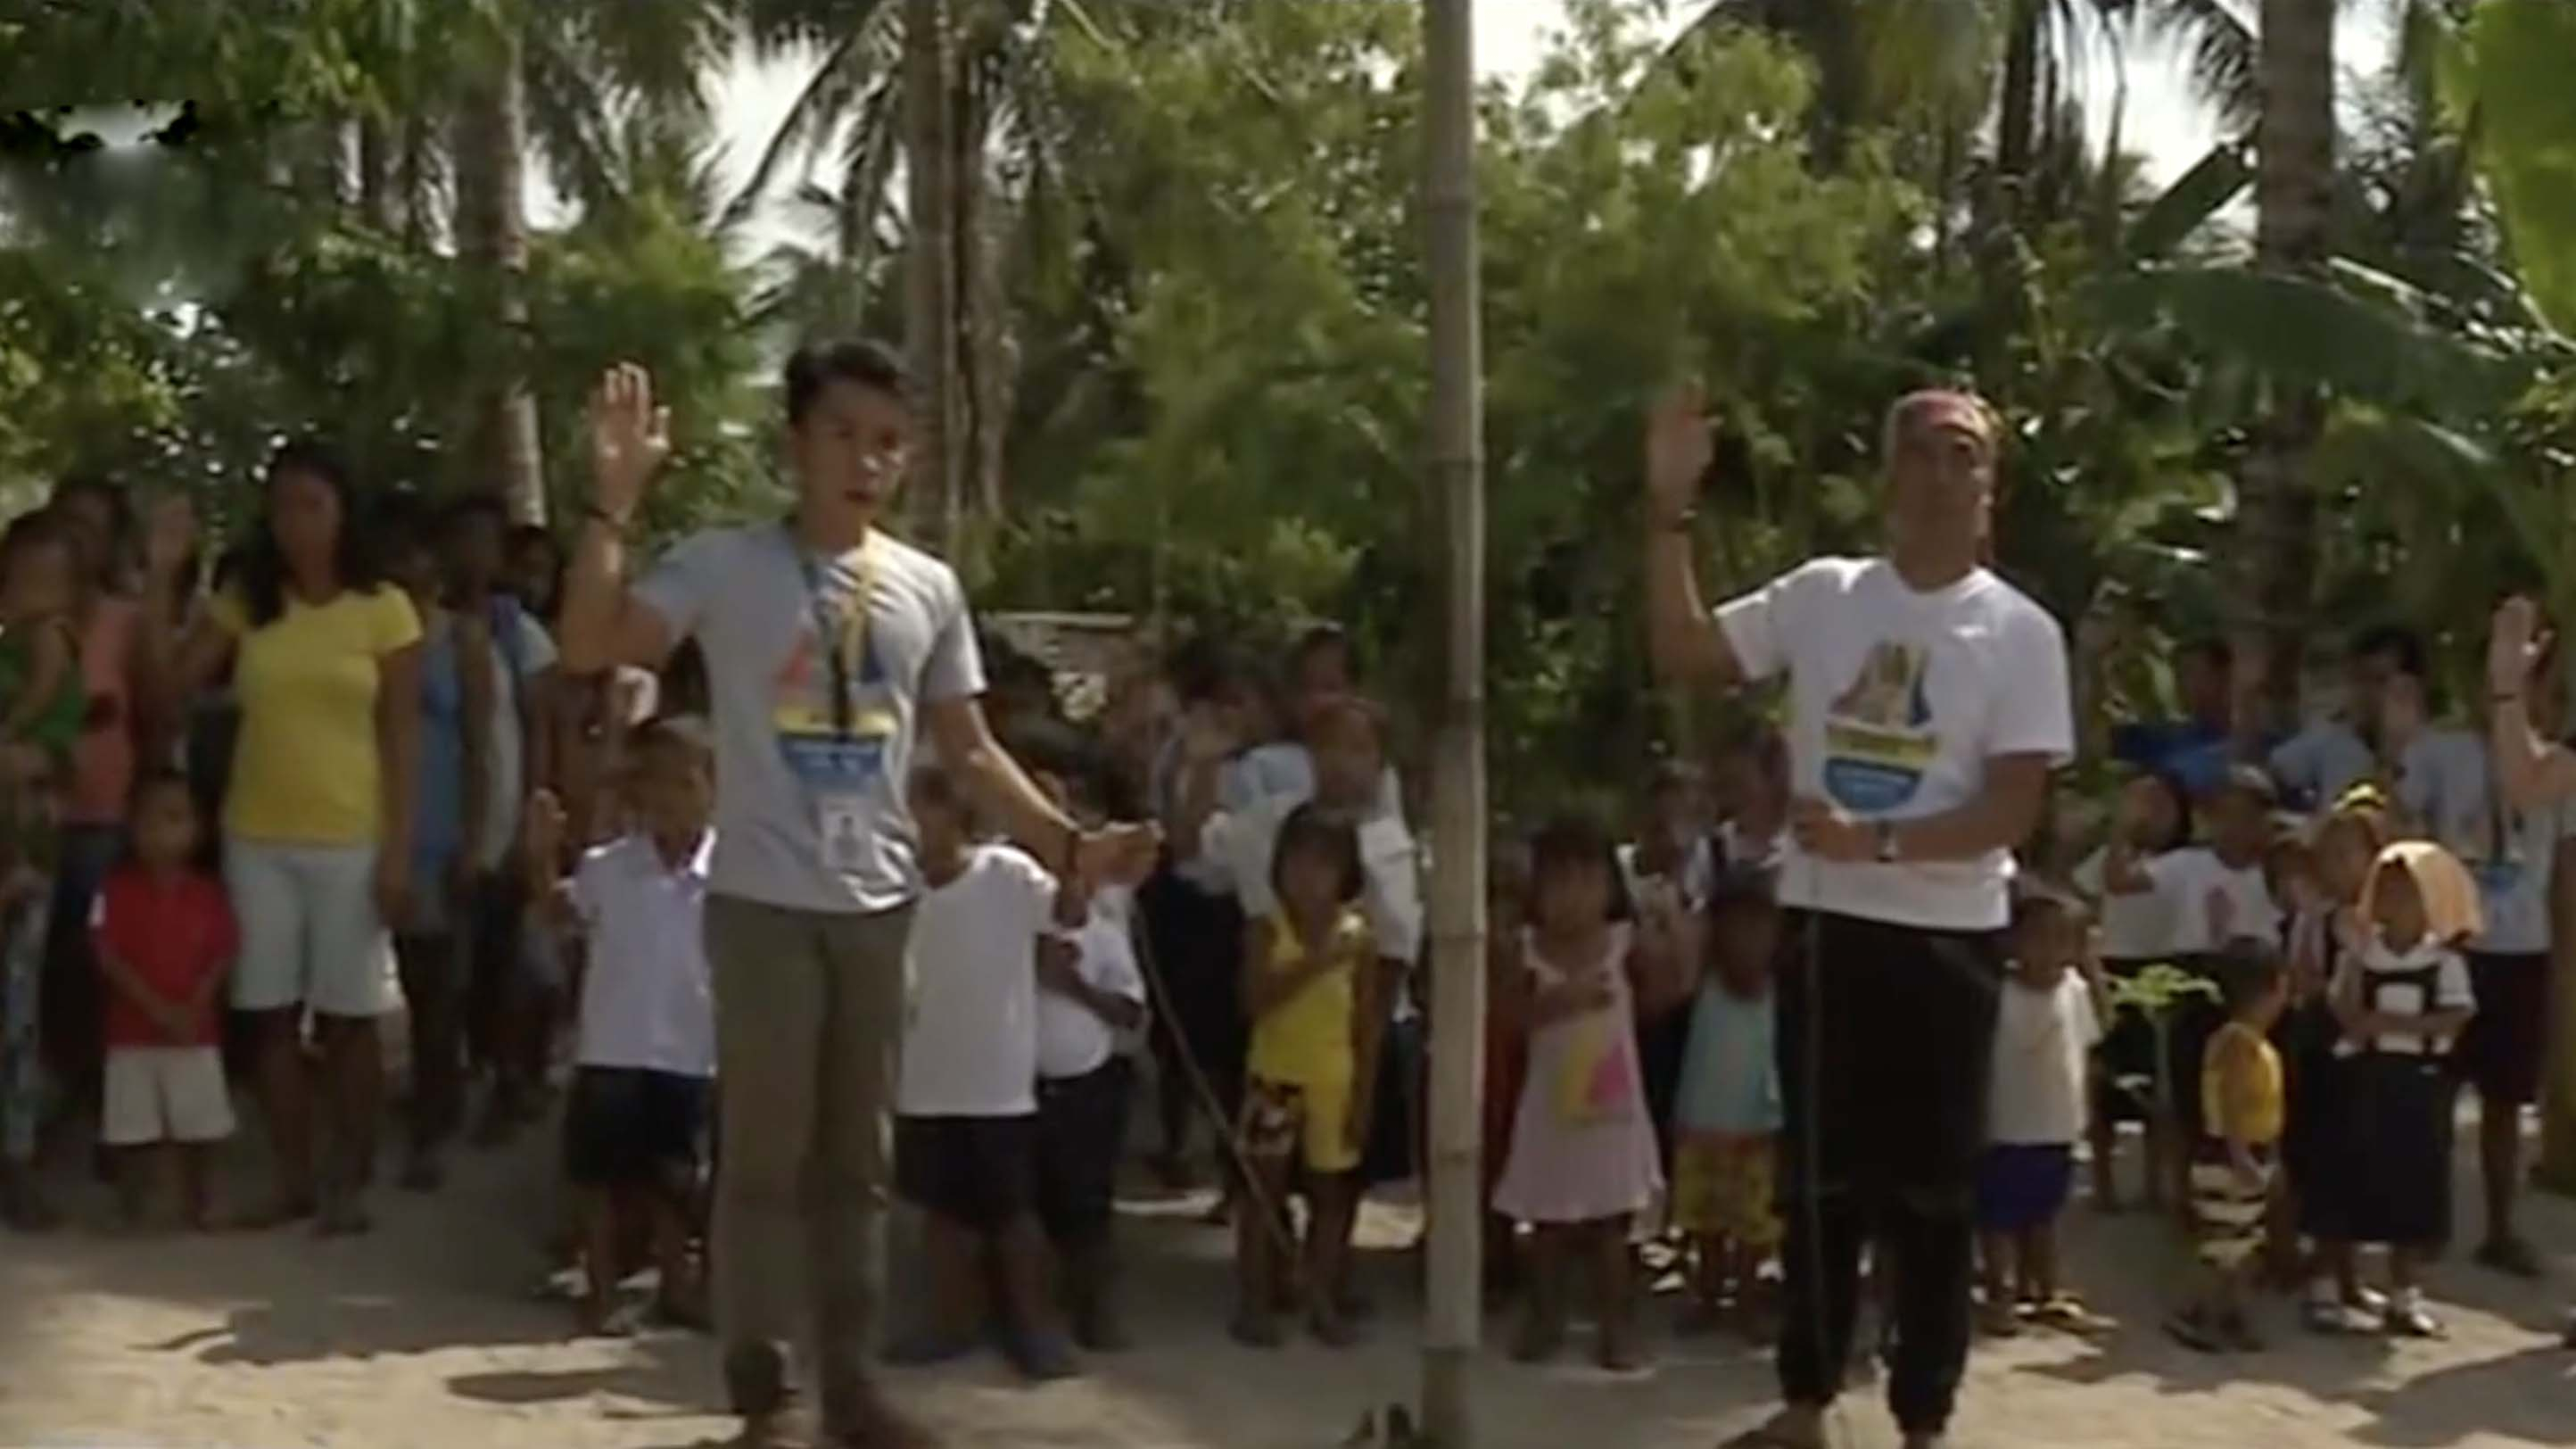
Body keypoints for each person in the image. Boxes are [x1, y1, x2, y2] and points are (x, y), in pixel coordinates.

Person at [554, 344, 1154, 1446]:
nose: (865, 461)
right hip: (763, 904)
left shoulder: (927, 587)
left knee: (858, 1168)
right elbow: (589, 642)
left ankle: (851, 1387)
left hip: (879, 907)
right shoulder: (726, 564)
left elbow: (969, 751)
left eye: (887, 441)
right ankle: (766, 1393)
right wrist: (613, 503)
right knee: (764, 1161)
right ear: (795, 443)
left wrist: (1071, 846)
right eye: (841, 434)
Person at [1645, 383, 2071, 1449]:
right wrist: (1665, 511)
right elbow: (1686, 652)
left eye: (1965, 455)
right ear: (1886, 476)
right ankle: (1806, 1403)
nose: (1942, 473)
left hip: (1948, 939)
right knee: (1817, 1183)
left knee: (1933, 1196)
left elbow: (2010, 807)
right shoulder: (1824, 596)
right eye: (1921, 451)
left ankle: (1921, 1419)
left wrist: (1875, 841)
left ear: (1990, 487)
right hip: (1826, 927)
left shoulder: (2019, 631)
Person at [142, 443, 423, 1236]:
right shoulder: (248, 603)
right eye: (283, 507)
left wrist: (398, 850)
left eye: (312, 505)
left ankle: (349, 1182)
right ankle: (293, 1177)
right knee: (266, 1014)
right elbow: (167, 688)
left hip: (351, 837)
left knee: (349, 1019)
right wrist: (162, 577)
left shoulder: (385, 609)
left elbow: (403, 738)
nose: (297, 523)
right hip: (257, 837)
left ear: (343, 512)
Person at [888, 763, 1083, 1379]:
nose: (912, 823)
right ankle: (953, 1322)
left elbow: (1067, 914)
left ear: (954, 811)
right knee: (941, 1213)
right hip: (922, 1078)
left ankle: (1034, 1327)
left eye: (922, 807)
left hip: (997, 1081)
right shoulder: (891, 887)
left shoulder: (1006, 873)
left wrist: (1078, 858)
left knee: (1012, 1215)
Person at [527, 719, 718, 1337]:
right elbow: (558, 915)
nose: (667, 797)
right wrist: (541, 856)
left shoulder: (732, 872)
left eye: (682, 782)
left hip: (691, 1048)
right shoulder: (608, 867)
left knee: (675, 1179)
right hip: (613, 1043)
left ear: (713, 788)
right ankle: (603, 1287)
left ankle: (677, 1286)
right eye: (653, 782)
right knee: (600, 1177)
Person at [2402, 631, 2566, 1280]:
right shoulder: (2439, 753)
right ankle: (2425, 1225)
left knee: (2505, 1098)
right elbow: (2404, 828)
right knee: (2435, 1093)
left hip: (2523, 948)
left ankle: (2501, 1228)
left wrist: (2563, 955)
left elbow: (2565, 865)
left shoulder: (2555, 764)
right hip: (2453, 943)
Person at [1494, 814, 1685, 1372]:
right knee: (1548, 1226)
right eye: (1559, 882)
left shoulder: (1624, 944)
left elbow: (1665, 995)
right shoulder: (1526, 950)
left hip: (1612, 1113)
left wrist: (1668, 933)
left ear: (1609, 887)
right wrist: (1560, 1003)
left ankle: (1615, 1327)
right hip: (1549, 1112)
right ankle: (1544, 1318)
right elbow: (1508, 1019)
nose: (1573, 896)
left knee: (1611, 1228)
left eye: (1586, 880)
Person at [2099, 763, 2282, 1216]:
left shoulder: (2278, 869)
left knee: (2256, 1091)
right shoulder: (2188, 865)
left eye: (2247, 815)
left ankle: (2260, 1194)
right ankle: (2185, 1197)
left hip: (2259, 984)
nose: (2235, 826)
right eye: (2225, 813)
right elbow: (2119, 881)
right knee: (2187, 1092)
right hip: (2196, 978)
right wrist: (2124, 826)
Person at [2320, 840, 2480, 1338]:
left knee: (2415, 1187)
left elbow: (2458, 1013)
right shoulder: (2361, 954)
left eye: (2408, 891)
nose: (2395, 901)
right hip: (2364, 1076)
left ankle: (2404, 1294)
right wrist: (2353, 988)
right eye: (2386, 890)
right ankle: (2339, 1286)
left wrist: (2394, 1023)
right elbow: (2341, 1005)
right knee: (2349, 1178)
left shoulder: (2444, 960)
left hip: (2419, 1081)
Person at [1232, 802, 1376, 1350]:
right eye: (1297, 861)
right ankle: (1253, 1303)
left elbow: (1367, 1023)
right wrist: (1315, 961)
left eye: (1323, 864)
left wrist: (1363, 1095)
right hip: (1273, 1079)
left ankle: (1322, 1301)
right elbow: (1253, 1001)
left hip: (1334, 1080)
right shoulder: (1266, 929)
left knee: (1331, 1198)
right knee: (1261, 1196)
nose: (1307, 876)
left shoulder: (1359, 936)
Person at [442, 493, 561, 1145]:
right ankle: (462, 1079)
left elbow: (539, 727)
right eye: (462, 539)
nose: (472, 555)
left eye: (485, 542)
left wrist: (532, 812)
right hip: (445, 815)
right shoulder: (424, 624)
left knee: (508, 959)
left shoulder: (522, 635)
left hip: (506, 810)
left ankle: (511, 1081)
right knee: (455, 965)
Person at [383, 508, 492, 1193]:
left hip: (439, 826)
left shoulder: (463, 640)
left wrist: (476, 840)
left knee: (434, 990)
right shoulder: (366, 631)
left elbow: (481, 749)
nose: (410, 569)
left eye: (419, 556)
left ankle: (433, 1125)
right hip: (366, 823)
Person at [41, 477, 150, 1155]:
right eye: (70, 521)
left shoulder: (126, 618)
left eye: (94, 526)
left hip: (105, 812)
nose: (80, 538)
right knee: (38, 965)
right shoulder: (20, 612)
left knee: (99, 961)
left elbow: (156, 708)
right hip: (29, 815)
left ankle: (100, 1101)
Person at [1031, 769, 1149, 1354]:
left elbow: (1130, 1012)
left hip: (1087, 1085)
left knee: (1088, 1204)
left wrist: (1073, 985)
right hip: (1018, 1086)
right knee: (1025, 1206)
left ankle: (1094, 1309)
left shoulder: (1101, 929)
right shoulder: (1009, 927)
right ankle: (1033, 1314)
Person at [90, 771, 237, 1230]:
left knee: (201, 1125)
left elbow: (223, 953)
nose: (162, 833)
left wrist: (195, 1005)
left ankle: (201, 1199)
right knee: (131, 1129)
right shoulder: (113, 890)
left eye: (175, 819)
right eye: (150, 820)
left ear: (198, 828)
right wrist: (155, 1007)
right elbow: (106, 955)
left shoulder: (209, 893)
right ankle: (132, 1204)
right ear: (131, 827)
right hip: (131, 1034)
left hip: (194, 1033)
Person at [2286, 791, 2395, 1333]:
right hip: (2326, 1055)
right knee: (2327, 1167)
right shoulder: (2315, 921)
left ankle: (2352, 1277)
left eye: (2350, 853)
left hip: (2374, 1057)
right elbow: (2301, 982)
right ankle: (2324, 1280)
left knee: (2364, 1168)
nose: (2339, 865)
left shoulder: (2389, 923)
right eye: (2329, 855)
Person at [1975, 891, 2105, 1338]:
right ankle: (2001, 1294)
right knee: (1998, 1218)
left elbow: (2092, 1041)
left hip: (2057, 1126)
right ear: (2013, 940)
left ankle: (2046, 1291)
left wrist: (2095, 971)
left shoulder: (2075, 991)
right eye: (2039, 938)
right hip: (2004, 1125)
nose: (2051, 950)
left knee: (2045, 1213)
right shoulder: (1996, 993)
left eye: (2063, 940)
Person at [1671, 864, 1783, 1341]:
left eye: (1759, 926)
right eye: (1734, 925)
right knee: (1706, 1223)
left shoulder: (1781, 991)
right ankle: (1708, 1293)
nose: (1746, 939)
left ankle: (1748, 1303)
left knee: (1754, 1227)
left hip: (1760, 1130)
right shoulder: (1702, 982)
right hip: (1700, 1127)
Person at [2069, 771, 2189, 1211]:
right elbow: (2088, 893)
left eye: (2159, 803)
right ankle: (2104, 1184)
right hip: (2114, 966)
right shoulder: (2110, 855)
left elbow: (2122, 881)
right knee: (2105, 1078)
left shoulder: (2185, 862)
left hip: (2163, 967)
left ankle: (2155, 1183)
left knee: (2159, 1082)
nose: (2148, 813)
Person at [2164, 947, 2290, 1354]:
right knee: (2221, 1246)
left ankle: (2232, 1313)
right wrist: (2239, 1155)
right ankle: (2194, 1312)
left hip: (2252, 1151)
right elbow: (2231, 1103)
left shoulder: (2253, 1041)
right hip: (2228, 1155)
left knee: (2242, 1244)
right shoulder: (2237, 1043)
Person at [2107, 637, 2242, 800]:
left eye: (2191, 671)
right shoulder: (2165, 737)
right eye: (2180, 674)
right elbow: (2098, 742)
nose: (2182, 682)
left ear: (2223, 676)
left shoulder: (2251, 740)